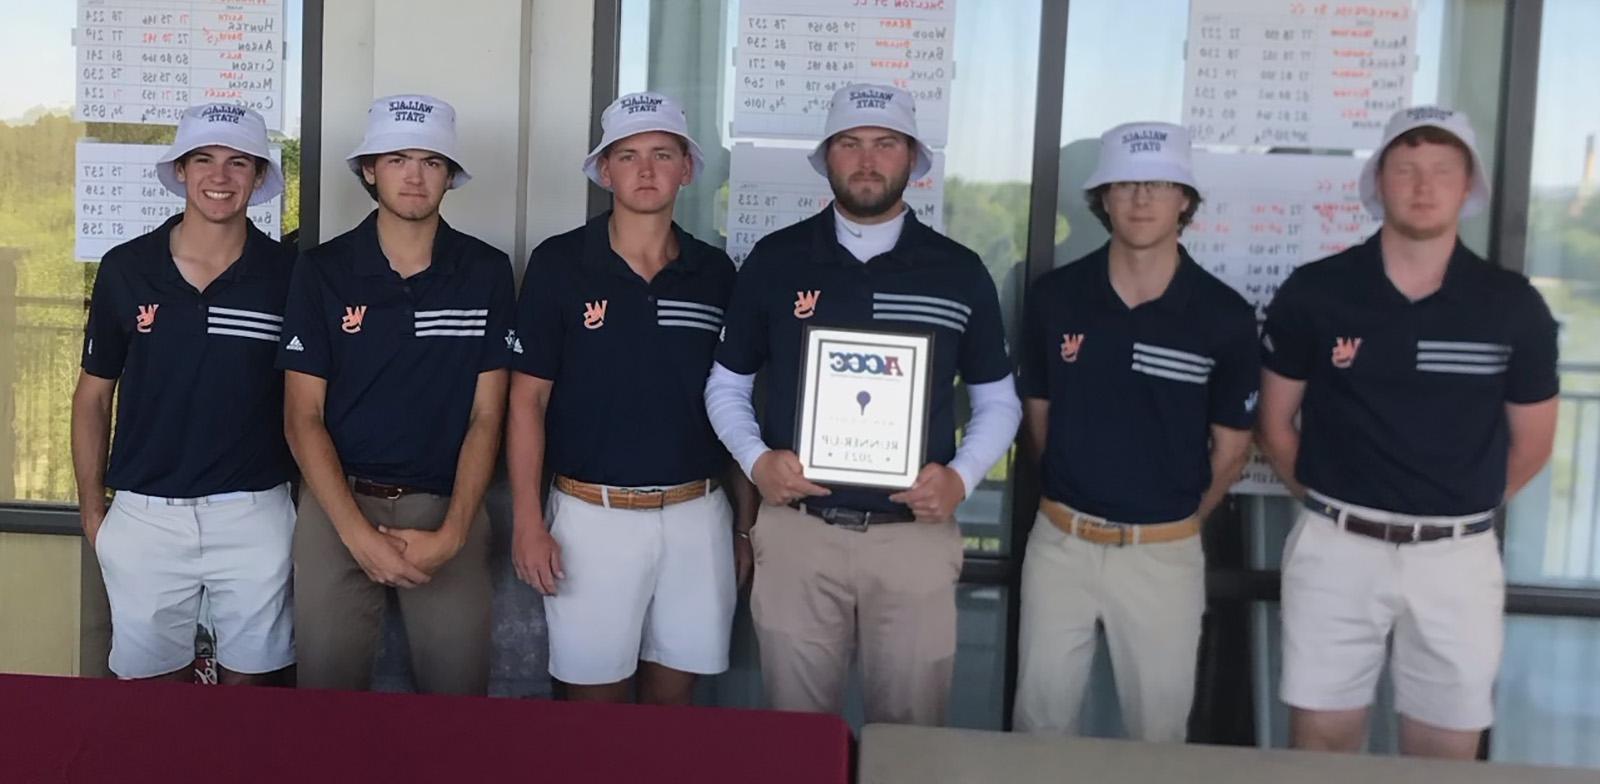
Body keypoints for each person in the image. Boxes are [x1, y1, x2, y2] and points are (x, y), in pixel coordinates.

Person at [704, 83, 1021, 726]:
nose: (868, 159)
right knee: (797, 740)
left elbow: (999, 402)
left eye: (886, 143)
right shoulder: (776, 260)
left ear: (911, 158)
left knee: (909, 743)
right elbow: (726, 385)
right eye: (850, 143)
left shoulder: (958, 271)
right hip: (800, 534)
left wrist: (960, 479)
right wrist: (758, 461)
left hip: (913, 539)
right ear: (828, 158)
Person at [1257, 105, 1560, 759]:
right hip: (1335, 549)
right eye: (1406, 169)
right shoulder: (1317, 291)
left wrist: (1452, 505)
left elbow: (1533, 444)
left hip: (1458, 560)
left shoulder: (1513, 305)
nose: (1424, 186)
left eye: (1442, 170)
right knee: (1322, 746)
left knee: (1444, 753)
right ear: (1379, 182)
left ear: (1467, 186)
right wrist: (1323, 500)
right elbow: (1276, 425)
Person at [1011, 122, 1259, 741]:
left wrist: (1171, 518)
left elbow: (1231, 451)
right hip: (1060, 543)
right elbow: (1039, 420)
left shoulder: (1224, 315)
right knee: (1040, 727)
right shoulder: (1055, 298)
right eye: (1125, 185)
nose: (1142, 199)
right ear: (1102, 199)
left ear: (1185, 200)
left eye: (1160, 184)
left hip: (1163, 554)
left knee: (1158, 737)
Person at [507, 92, 757, 705]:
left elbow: (738, 403)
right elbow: (526, 403)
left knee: (669, 717)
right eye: (628, 155)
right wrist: (527, 520)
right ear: (605, 170)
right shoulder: (560, 264)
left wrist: (746, 528)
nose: (646, 170)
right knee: (592, 720)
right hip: (592, 518)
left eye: (663, 154)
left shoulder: (716, 273)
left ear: (687, 169)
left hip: (699, 516)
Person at [278, 94, 514, 695]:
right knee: (327, 710)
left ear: (449, 177)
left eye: (432, 162)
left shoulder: (486, 270)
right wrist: (358, 536)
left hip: (446, 509)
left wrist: (456, 532)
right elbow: (302, 416)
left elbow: (489, 415)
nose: (414, 175)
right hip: (339, 508)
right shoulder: (323, 269)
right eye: (398, 159)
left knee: (458, 710)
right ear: (369, 170)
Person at [71, 103, 296, 684]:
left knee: (257, 693)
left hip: (255, 510)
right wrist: (94, 512)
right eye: (204, 159)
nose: (219, 177)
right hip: (146, 514)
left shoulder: (291, 274)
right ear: (180, 172)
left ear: (259, 176)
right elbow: (93, 396)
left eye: (237, 162)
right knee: (149, 702)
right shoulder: (126, 269)